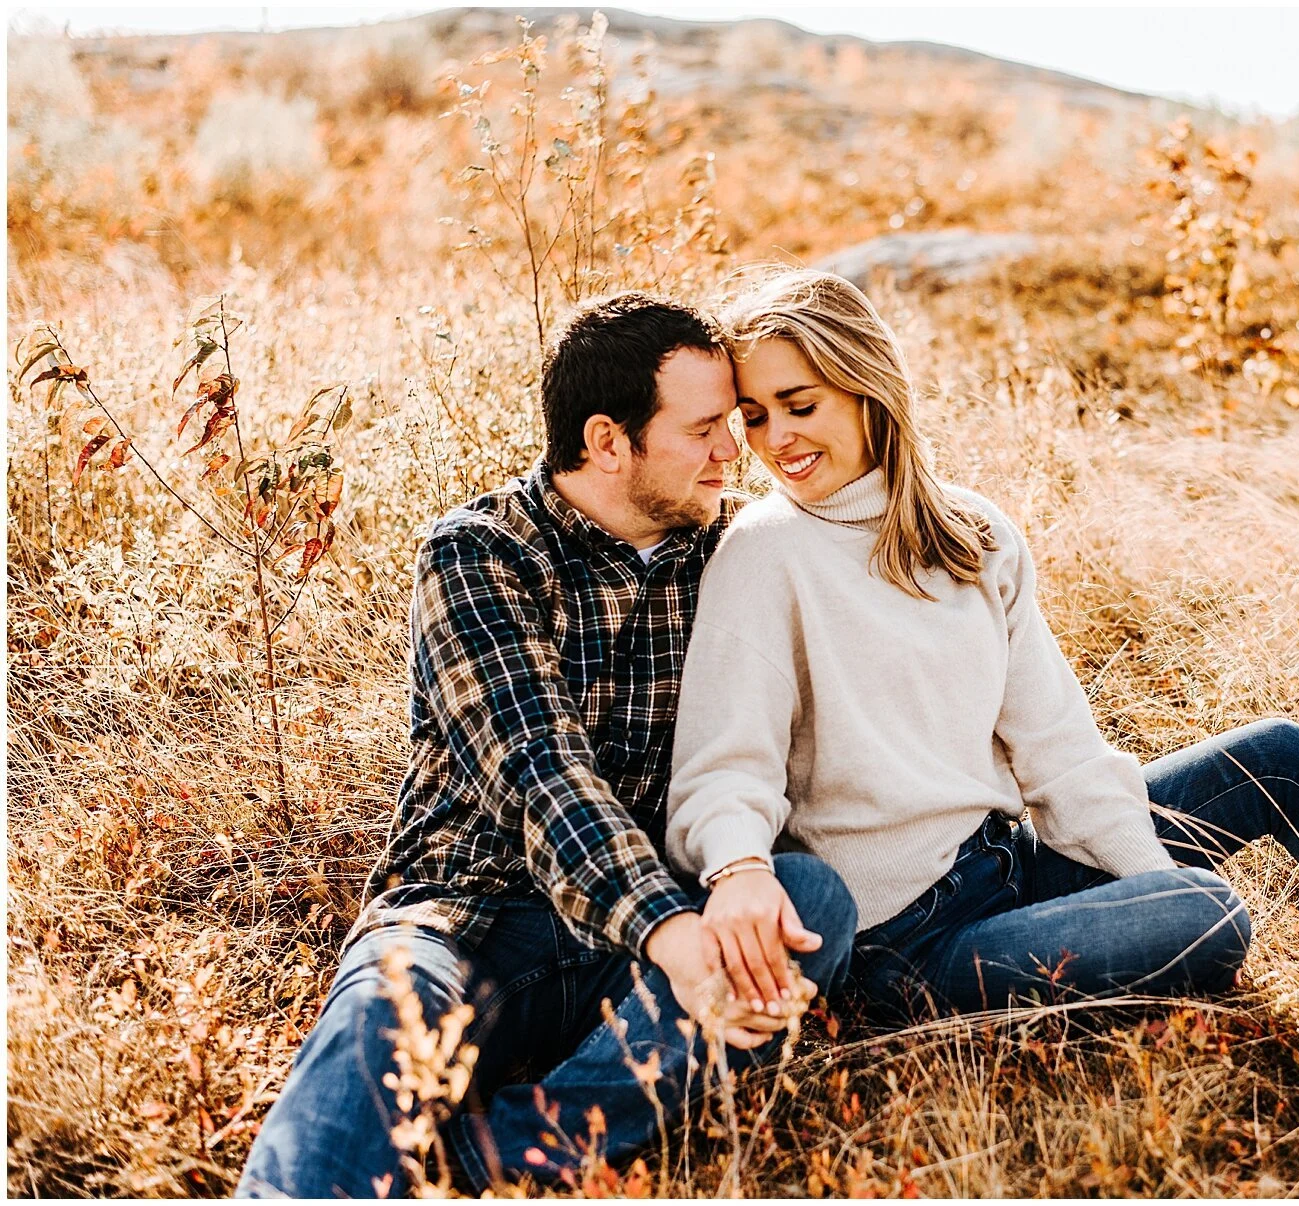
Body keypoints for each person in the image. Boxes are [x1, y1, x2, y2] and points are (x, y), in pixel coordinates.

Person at [665, 267, 1299, 1028]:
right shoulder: (763, 555)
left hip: (1009, 869)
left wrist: (1133, 883)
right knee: (1209, 915)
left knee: (1276, 757)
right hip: (907, 946)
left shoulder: (971, 534)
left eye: (799, 406)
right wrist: (742, 871)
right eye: (754, 417)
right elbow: (726, 770)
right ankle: (1004, 989)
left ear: (869, 390)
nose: (777, 441)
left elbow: (1059, 750)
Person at [237, 292, 858, 1198]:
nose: (736, 452)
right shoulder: (480, 555)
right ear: (610, 442)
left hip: (643, 945)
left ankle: (505, 1156)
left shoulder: (735, 554)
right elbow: (540, 772)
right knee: (381, 1007)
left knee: (807, 902)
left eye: (732, 424)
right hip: (473, 921)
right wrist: (676, 937)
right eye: (704, 430)